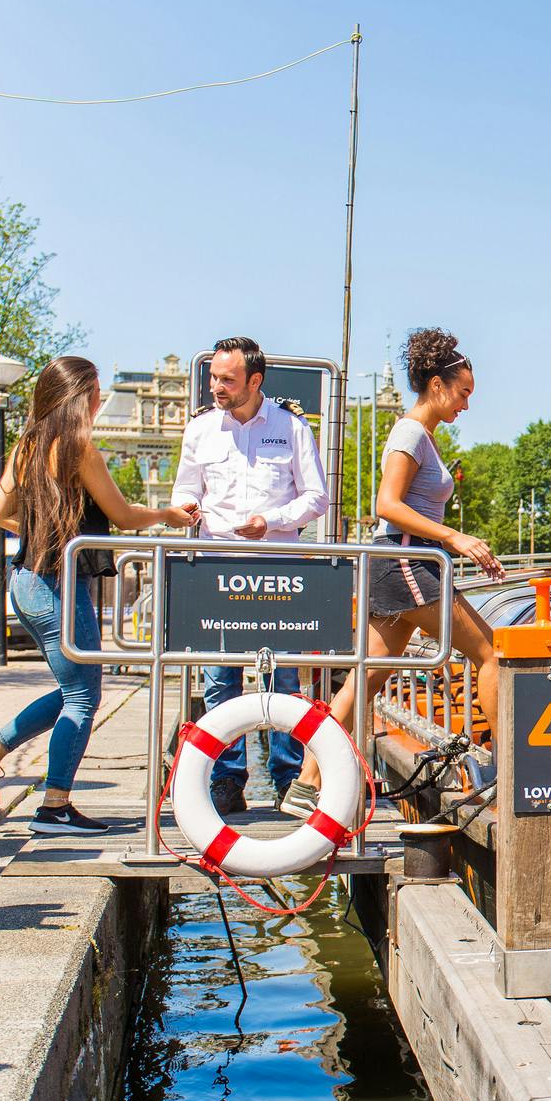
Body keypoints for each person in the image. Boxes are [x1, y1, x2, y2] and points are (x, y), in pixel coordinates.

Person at [0, 357, 197, 834]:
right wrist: (168, 514)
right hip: (56, 584)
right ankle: (54, 807)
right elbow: (124, 517)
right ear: (82, 396)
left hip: (26, 580)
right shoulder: (80, 448)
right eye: (97, 393)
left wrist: (45, 529)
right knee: (84, 698)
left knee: (75, 692)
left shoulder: (27, 445)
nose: (101, 401)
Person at [286, 328, 503, 818]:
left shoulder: (421, 435)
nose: (465, 405)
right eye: (463, 393)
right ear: (436, 385)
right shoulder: (410, 432)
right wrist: (454, 537)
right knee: (490, 653)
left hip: (399, 561)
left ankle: (305, 783)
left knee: (364, 679)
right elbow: (387, 503)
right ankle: (509, 770)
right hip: (407, 559)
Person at [171, 336, 329, 816]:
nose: (215, 386)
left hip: (278, 574)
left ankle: (287, 777)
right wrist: (188, 509)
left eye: (226, 379)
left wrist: (272, 522)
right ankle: (225, 779)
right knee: (220, 680)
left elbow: (316, 497)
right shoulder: (200, 430)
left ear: (254, 381)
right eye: (213, 377)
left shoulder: (292, 428)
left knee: (283, 678)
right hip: (219, 570)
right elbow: (184, 490)